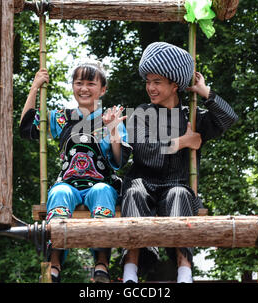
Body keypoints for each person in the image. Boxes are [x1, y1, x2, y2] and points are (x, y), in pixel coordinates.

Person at [121, 42, 238, 283]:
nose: (150, 88)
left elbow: (229, 118)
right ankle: (129, 273)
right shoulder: (140, 114)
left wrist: (204, 92)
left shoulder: (192, 115)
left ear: (175, 85)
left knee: (179, 194)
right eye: (148, 81)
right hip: (143, 182)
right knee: (133, 194)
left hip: (177, 184)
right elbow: (145, 153)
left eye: (157, 82)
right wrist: (182, 142)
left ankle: (185, 273)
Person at [20, 62, 132, 283]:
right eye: (79, 83)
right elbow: (27, 129)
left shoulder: (111, 117)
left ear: (103, 89)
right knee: (58, 193)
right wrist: (35, 87)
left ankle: (101, 264)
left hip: (101, 183)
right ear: (72, 86)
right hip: (68, 183)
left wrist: (113, 133)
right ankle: (54, 264)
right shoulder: (61, 117)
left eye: (91, 83)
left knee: (102, 191)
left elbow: (119, 161)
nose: (84, 88)